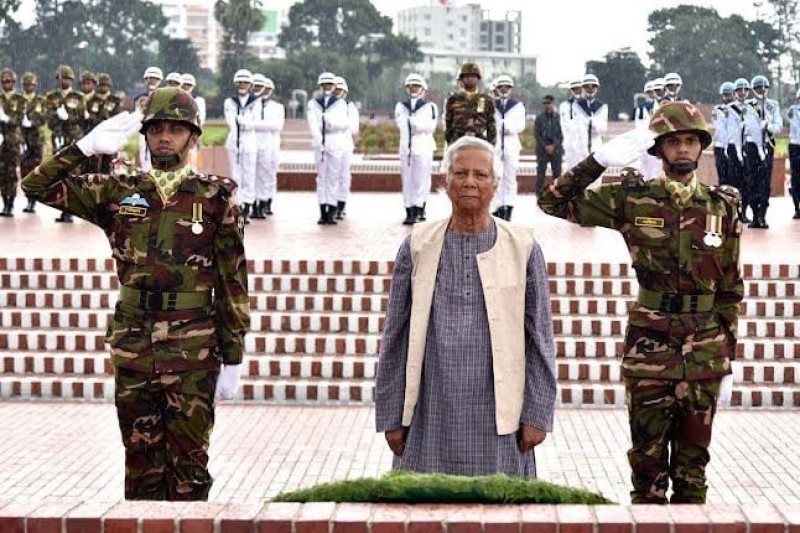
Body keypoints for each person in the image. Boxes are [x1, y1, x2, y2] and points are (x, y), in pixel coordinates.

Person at [21, 87, 250, 501]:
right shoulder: (118, 190)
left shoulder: (216, 196)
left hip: (192, 348)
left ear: (192, 136)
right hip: (133, 345)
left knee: (189, 470)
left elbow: (232, 278)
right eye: (157, 129)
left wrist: (233, 355)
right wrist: (83, 147)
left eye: (176, 130)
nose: (165, 137)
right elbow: (35, 187)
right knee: (141, 467)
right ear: (144, 136)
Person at [538, 102, 743, 504]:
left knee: (693, 472)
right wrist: (597, 162)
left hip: (704, 351)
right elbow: (552, 201)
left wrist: (727, 358)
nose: (682, 149)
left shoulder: (722, 207)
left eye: (690, 141)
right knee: (647, 472)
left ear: (700, 147)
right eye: (673, 142)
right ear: (659, 149)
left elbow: (730, 288)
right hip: (650, 348)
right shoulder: (633, 200)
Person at [375, 135, 558, 477]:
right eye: (460, 173)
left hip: (500, 421)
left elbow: (540, 338)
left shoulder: (523, 248)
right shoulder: (417, 246)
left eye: (480, 175)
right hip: (429, 414)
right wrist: (390, 415)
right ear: (445, 182)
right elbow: (395, 338)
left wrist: (537, 413)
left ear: (496, 184)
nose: (470, 182)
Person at [394, 73, 438, 225]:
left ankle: (420, 206)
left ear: (422, 89)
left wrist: (414, 123)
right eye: (411, 86)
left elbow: (430, 127)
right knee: (407, 179)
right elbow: (400, 124)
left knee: (422, 178)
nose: (413, 88)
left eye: (416, 86)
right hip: (406, 145)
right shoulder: (401, 106)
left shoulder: (430, 107)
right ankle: (409, 209)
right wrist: (413, 124)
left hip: (423, 145)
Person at [306, 71, 349, 225]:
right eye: (324, 84)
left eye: (329, 84)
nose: (327, 87)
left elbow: (344, 123)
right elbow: (312, 123)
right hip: (320, 143)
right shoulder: (313, 103)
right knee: (321, 178)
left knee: (333, 177)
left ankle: (331, 209)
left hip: (335, 141)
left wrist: (330, 122)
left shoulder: (340, 103)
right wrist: (318, 139)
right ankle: (322, 210)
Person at [45, 64, 86, 223]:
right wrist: (57, 118)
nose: (66, 81)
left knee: (73, 174)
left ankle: (71, 209)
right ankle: (63, 209)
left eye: (69, 78)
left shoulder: (78, 97)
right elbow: (48, 120)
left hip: (73, 140)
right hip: (58, 139)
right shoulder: (51, 97)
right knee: (59, 175)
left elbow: (81, 116)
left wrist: (67, 118)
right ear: (58, 79)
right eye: (63, 78)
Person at [744, 75, 782, 229]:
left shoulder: (773, 105)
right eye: (759, 87)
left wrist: (768, 126)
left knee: (765, 181)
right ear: (754, 89)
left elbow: (778, 125)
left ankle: (762, 215)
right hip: (752, 146)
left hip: (767, 145)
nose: (762, 90)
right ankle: (754, 214)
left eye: (764, 87)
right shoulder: (747, 106)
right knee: (752, 180)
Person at [223, 69, 259, 224]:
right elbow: (231, 122)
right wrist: (243, 121)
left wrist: (241, 120)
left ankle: (248, 207)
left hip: (250, 141)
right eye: (240, 82)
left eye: (245, 82)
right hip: (234, 141)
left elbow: (253, 123)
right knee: (236, 176)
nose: (242, 85)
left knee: (249, 175)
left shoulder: (256, 102)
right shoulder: (229, 101)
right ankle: (238, 206)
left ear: (250, 85)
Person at [491, 75, 526, 221]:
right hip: (497, 142)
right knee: (497, 175)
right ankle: (499, 206)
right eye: (501, 87)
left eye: (506, 87)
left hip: (511, 141)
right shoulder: (493, 105)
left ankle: (509, 205)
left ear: (511, 89)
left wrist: (506, 126)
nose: (504, 89)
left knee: (510, 176)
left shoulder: (517, 105)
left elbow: (520, 126)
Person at [251, 73, 284, 219]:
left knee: (267, 174)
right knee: (253, 175)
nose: (264, 92)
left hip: (271, 144)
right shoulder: (251, 105)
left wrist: (256, 124)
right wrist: (263, 125)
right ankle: (254, 203)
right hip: (254, 141)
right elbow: (249, 123)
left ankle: (265, 202)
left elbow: (277, 126)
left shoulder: (277, 107)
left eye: (267, 89)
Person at [443, 62, 496, 147]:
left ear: (478, 79)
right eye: (467, 76)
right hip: (458, 140)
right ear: (461, 79)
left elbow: (491, 125)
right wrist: (450, 141)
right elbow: (448, 123)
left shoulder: (486, 100)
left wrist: (491, 145)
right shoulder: (453, 99)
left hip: (480, 140)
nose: (470, 79)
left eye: (473, 76)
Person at [0, 68, 26, 217]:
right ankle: (4, 203)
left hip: (14, 140)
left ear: (14, 83)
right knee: (2, 173)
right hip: (1, 140)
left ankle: (11, 203)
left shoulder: (20, 100)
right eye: (4, 82)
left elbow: (19, 119)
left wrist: (6, 118)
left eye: (9, 81)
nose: (6, 84)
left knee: (11, 173)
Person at [572, 74, 608, 183]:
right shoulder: (576, 106)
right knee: (580, 177)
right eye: (587, 86)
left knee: (596, 176)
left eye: (593, 86)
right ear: (583, 88)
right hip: (580, 145)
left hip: (595, 143)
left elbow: (602, 128)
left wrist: (592, 123)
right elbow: (577, 126)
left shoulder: (602, 107)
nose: (590, 89)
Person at [20, 72, 47, 213]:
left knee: (35, 171)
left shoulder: (40, 100)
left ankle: (33, 201)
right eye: (26, 84)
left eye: (30, 85)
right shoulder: (19, 100)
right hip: (23, 139)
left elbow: (43, 117)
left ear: (35, 86)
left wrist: (31, 123)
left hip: (36, 139)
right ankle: (28, 199)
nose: (28, 87)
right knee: (24, 170)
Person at [84, 73, 123, 173]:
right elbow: (88, 118)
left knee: (108, 167)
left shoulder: (114, 101)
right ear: (97, 86)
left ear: (109, 86)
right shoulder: (91, 101)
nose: (103, 87)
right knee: (93, 167)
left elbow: (117, 119)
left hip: (109, 138)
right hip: (95, 137)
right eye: (101, 85)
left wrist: (102, 120)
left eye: (105, 85)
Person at [332, 76, 359, 220]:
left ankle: (341, 204)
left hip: (346, 145)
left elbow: (354, 128)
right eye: (335, 89)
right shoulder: (328, 107)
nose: (337, 92)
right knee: (332, 176)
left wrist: (337, 124)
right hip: (332, 145)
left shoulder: (350, 107)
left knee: (344, 176)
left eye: (340, 89)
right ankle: (332, 205)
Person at [727, 78, 750, 221]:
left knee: (746, 182)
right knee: (734, 181)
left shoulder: (751, 107)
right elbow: (732, 130)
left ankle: (745, 211)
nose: (742, 93)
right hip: (734, 148)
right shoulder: (730, 108)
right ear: (735, 92)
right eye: (739, 90)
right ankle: (734, 212)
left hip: (748, 147)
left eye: (745, 90)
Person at [533, 94, 563, 198]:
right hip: (542, 150)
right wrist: (545, 146)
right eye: (545, 103)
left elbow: (561, 134)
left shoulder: (559, 118)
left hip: (556, 150)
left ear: (553, 103)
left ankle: (557, 195)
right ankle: (539, 196)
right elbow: (537, 135)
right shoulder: (539, 118)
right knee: (541, 174)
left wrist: (554, 145)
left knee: (557, 174)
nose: (547, 105)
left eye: (549, 103)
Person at [134, 66, 163, 173]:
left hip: (159, 128)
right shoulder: (140, 98)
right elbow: (138, 114)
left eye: (155, 79)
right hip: (144, 128)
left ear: (160, 81)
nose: (152, 81)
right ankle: (145, 172)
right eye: (150, 78)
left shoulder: (164, 96)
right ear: (145, 80)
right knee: (142, 149)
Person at [180, 73, 206, 173]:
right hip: (178, 134)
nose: (186, 87)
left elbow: (200, 120)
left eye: (189, 85)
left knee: (192, 161)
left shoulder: (199, 101)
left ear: (193, 87)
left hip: (192, 134)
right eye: (184, 84)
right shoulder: (175, 99)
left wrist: (199, 137)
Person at [712, 82, 734, 187]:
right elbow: (720, 128)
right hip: (720, 145)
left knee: (734, 175)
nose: (727, 97)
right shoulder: (717, 110)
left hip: (733, 145)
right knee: (722, 175)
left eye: (729, 94)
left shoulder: (738, 109)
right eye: (725, 95)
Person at [788, 89, 800, 219]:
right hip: (795, 145)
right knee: (796, 177)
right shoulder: (793, 110)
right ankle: (797, 207)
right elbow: (789, 113)